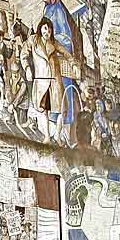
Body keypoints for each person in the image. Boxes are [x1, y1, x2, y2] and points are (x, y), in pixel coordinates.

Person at [21, 17, 74, 145]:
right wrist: (27, 68)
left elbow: (66, 53)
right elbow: (23, 54)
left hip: (55, 81)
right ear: (40, 28)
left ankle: (58, 136)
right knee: (44, 110)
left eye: (49, 30)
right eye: (45, 29)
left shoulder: (54, 43)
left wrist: (73, 63)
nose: (47, 32)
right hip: (42, 81)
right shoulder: (33, 40)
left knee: (63, 109)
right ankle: (47, 137)